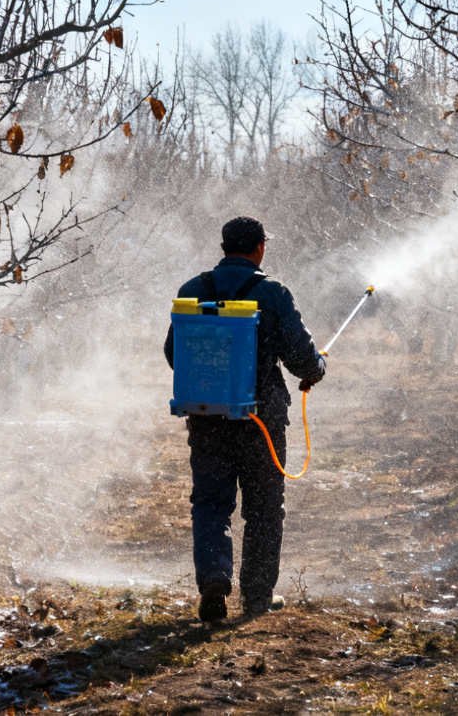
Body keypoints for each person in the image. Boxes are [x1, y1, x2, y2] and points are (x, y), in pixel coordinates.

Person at [163, 216, 325, 621]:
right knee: (265, 507)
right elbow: (301, 357)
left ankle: (215, 575)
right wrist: (317, 367)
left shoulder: (192, 290)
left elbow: (173, 353)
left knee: (211, 502)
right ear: (259, 248)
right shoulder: (272, 292)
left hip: (206, 415)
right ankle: (256, 596)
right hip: (262, 421)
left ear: (223, 246)